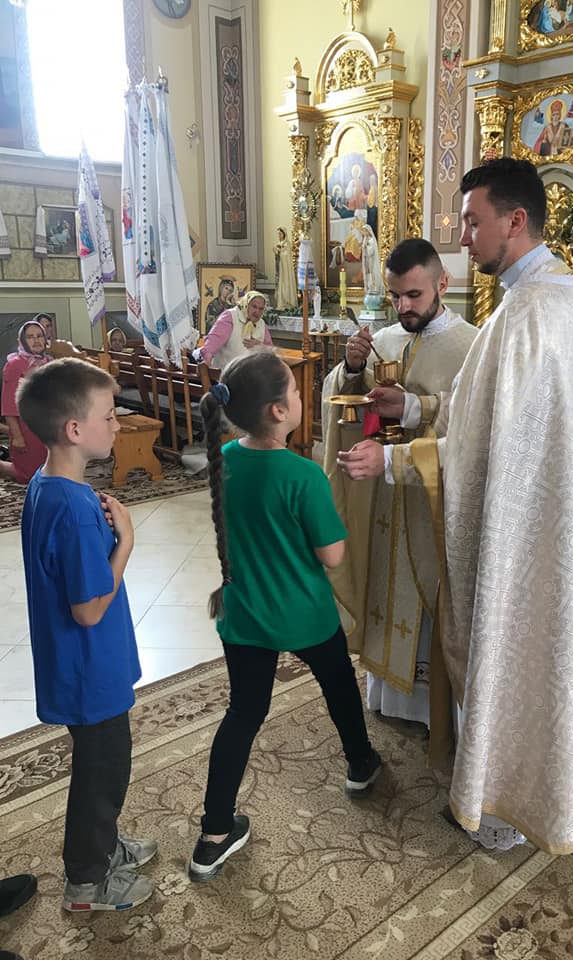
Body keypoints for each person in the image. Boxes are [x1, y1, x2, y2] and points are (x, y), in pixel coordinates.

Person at [337, 158, 573, 855]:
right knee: (543, 653)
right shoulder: (558, 295)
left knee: (512, 649)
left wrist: (393, 459)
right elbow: (487, 420)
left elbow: (479, 449)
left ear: (514, 221)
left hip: (522, 530)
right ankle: (547, 783)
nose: (463, 237)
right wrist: (415, 412)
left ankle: (504, 806)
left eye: (472, 221)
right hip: (548, 522)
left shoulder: (525, 314)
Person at [189, 352, 381, 881]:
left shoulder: (224, 457)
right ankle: (360, 763)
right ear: (278, 411)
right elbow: (333, 556)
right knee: (338, 685)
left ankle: (214, 832)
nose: (300, 398)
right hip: (305, 614)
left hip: (245, 614)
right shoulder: (303, 475)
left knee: (243, 713)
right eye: (295, 393)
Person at [16, 358, 157, 910]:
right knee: (104, 772)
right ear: (75, 429)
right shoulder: (74, 509)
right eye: (109, 416)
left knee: (99, 766)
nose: (118, 424)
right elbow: (90, 610)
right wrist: (125, 542)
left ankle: (101, 847)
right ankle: (86, 879)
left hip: (75, 664)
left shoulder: (46, 486)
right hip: (88, 668)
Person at [322, 238, 477, 727]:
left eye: (414, 295)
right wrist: (351, 368)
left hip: (433, 502)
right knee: (385, 586)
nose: (403, 306)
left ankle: (435, 710)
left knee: (430, 592)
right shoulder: (385, 341)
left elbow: (473, 425)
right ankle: (389, 696)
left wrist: (412, 407)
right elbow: (342, 401)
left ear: (442, 284)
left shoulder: (472, 347)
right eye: (395, 296)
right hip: (384, 497)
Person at [0, 321, 51, 485]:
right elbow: (8, 405)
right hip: (25, 428)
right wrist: (17, 436)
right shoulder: (14, 364)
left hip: (50, 426)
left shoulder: (50, 363)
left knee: (51, 472)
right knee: (28, 476)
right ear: (22, 341)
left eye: (39, 336)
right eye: (30, 337)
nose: (36, 340)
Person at [195, 290, 273, 370]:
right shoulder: (230, 317)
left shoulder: (261, 324)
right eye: (254, 307)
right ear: (246, 304)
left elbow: (271, 352)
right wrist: (206, 362)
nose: (257, 312)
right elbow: (212, 342)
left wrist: (261, 347)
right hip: (225, 373)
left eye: (261, 309)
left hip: (251, 374)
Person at [274, 226, 298, 310]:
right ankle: (281, 303)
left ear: (284, 234)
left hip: (286, 270)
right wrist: (276, 250)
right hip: (280, 268)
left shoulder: (287, 244)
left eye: (280, 234)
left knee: (286, 284)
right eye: (278, 234)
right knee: (280, 284)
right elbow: (276, 252)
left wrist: (280, 251)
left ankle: (288, 302)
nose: (279, 236)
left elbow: (286, 255)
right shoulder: (279, 243)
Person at [361, 224, 384, 298]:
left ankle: (373, 286)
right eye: (363, 231)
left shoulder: (371, 240)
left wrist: (367, 246)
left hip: (371, 259)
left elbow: (371, 251)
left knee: (371, 271)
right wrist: (365, 246)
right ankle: (368, 286)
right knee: (367, 271)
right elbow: (363, 249)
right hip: (366, 258)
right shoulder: (365, 239)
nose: (363, 232)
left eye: (364, 231)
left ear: (368, 231)